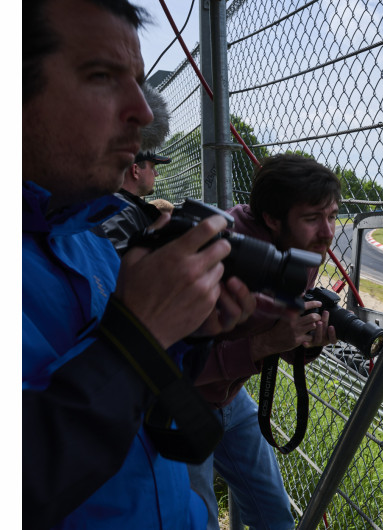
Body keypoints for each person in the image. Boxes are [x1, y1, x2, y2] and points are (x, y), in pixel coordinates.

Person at [22, 0, 255, 528]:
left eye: (139, 79)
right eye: (101, 75)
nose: (143, 111)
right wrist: (137, 338)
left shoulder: (87, 237)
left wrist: (186, 333)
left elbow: (131, 402)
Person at [188, 153, 342, 529]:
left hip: (229, 395)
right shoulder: (217, 257)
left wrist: (306, 342)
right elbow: (170, 363)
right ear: (272, 219)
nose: (327, 232)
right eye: (312, 218)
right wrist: (263, 346)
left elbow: (279, 339)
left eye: (333, 215)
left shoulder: (303, 257)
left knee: (274, 516)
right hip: (177, 400)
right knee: (196, 520)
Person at [93, 151, 171, 254]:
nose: (156, 174)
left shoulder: (118, 203)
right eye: (152, 167)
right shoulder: (118, 208)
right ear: (135, 171)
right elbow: (119, 261)